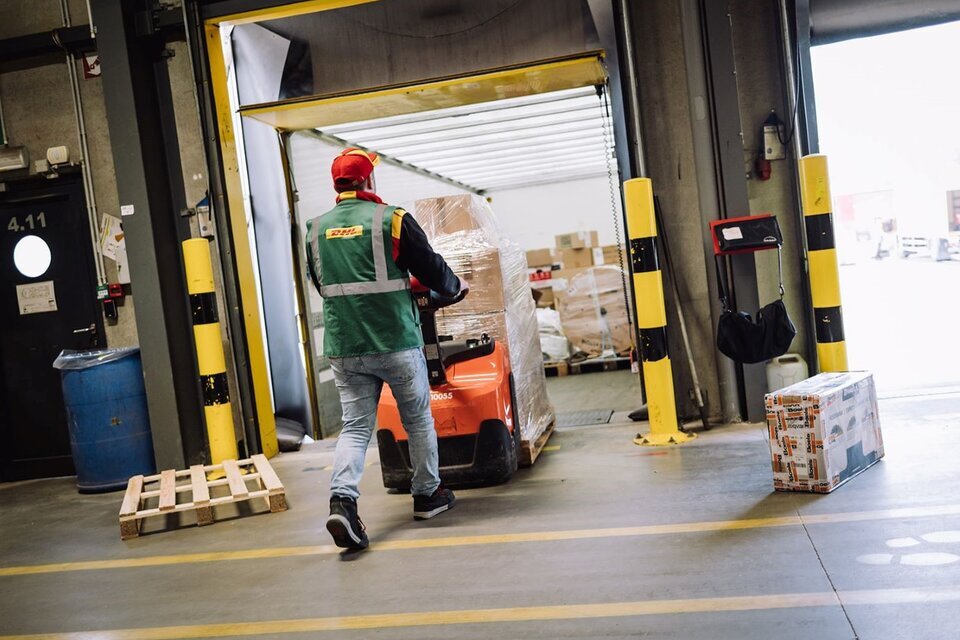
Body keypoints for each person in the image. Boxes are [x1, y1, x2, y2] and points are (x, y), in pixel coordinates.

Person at [305, 147, 466, 551]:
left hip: (344, 344)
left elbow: (325, 285)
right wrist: (452, 288)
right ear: (368, 181)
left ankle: (342, 501)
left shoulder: (314, 228)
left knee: (356, 426)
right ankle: (428, 495)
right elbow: (428, 266)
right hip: (394, 339)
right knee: (417, 419)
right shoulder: (391, 219)